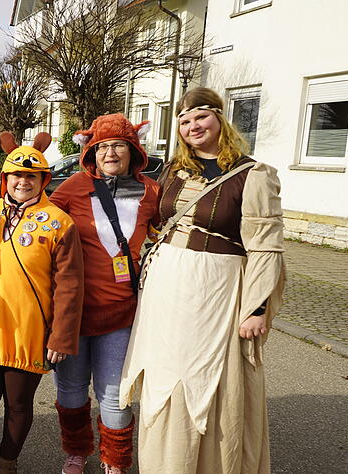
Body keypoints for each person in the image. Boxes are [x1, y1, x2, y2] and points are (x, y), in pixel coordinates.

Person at [119, 87, 286, 473]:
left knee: (204, 378)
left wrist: (257, 307)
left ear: (220, 119)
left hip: (215, 288)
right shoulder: (174, 171)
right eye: (184, 120)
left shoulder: (253, 175)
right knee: (164, 374)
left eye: (201, 117)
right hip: (165, 288)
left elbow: (266, 247)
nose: (193, 126)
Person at [0, 132, 84, 474]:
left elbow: (70, 285)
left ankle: (8, 462)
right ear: (5, 178)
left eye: (31, 176)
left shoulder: (60, 222)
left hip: (29, 329)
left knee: (18, 404)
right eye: (16, 174)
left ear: (43, 179)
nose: (23, 182)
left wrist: (61, 336)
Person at [48, 114, 160, 474]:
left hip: (120, 313)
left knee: (115, 395)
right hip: (74, 314)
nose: (110, 153)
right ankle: (76, 452)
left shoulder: (151, 192)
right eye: (102, 147)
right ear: (91, 153)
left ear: (133, 151)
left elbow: (172, 233)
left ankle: (115, 459)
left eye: (118, 146)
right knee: (71, 390)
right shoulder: (73, 187)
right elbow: (41, 222)